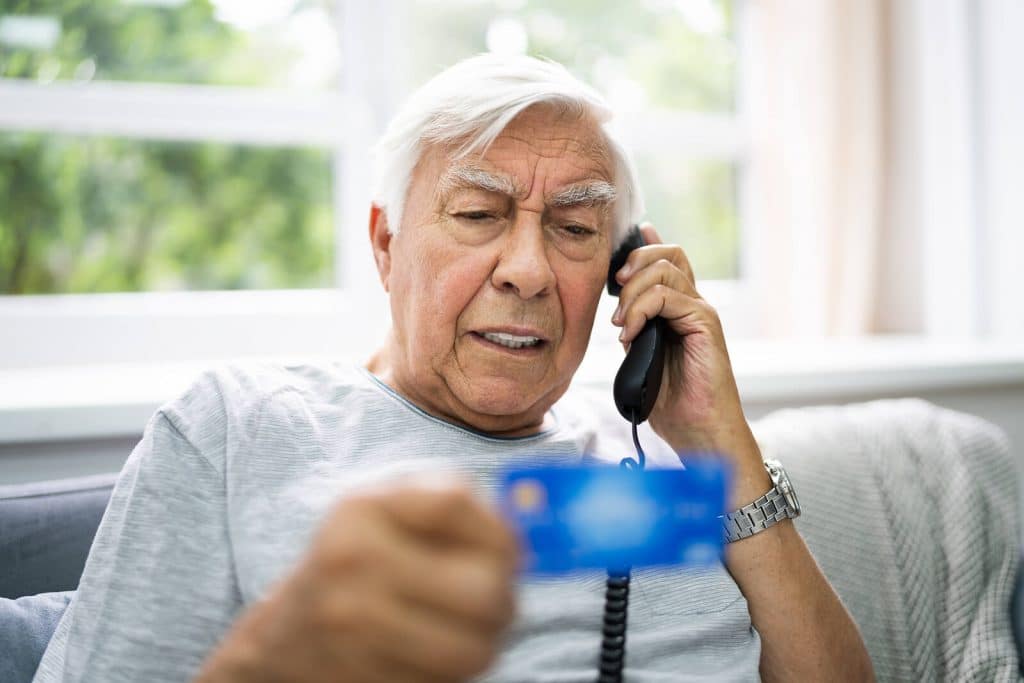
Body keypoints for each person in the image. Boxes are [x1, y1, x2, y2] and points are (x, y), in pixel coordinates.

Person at [33, 54, 874, 682]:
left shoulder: (665, 473)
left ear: (623, 267)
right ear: (386, 244)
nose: (529, 270)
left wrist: (721, 444)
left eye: (576, 230)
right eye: (477, 213)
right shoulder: (238, 424)